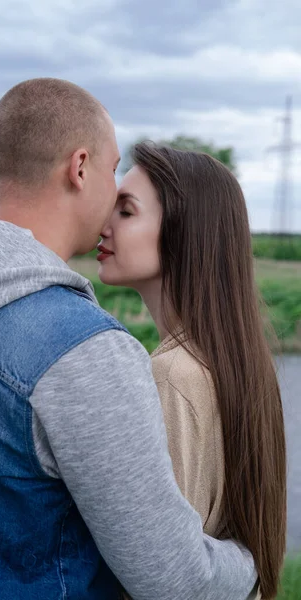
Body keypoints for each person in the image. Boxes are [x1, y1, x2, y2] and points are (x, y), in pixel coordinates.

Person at [0, 79, 257, 600]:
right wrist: (247, 562)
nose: (113, 194)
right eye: (113, 170)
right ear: (81, 167)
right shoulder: (81, 349)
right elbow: (175, 580)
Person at [98, 142, 287, 600]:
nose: (103, 224)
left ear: (183, 233)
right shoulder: (237, 361)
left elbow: (160, 575)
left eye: (126, 211)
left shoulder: (173, 375)